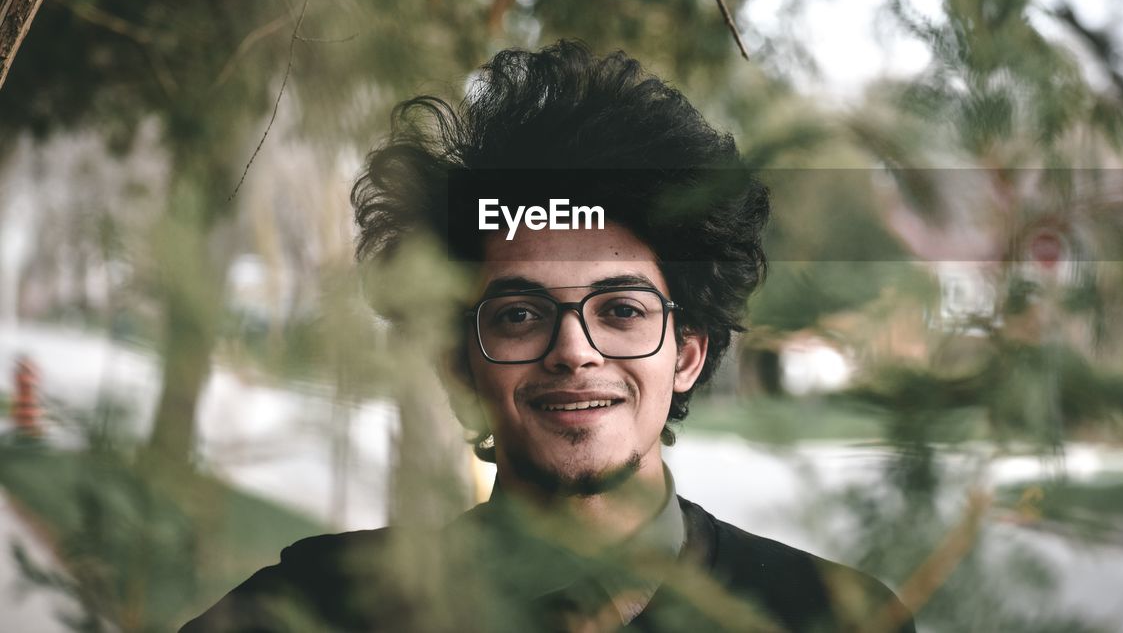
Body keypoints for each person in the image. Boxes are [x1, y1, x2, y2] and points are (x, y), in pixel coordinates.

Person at [183, 41, 913, 632]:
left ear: (687, 353)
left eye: (622, 311)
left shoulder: (836, 618)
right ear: (457, 366)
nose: (575, 349)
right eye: (520, 314)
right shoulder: (318, 609)